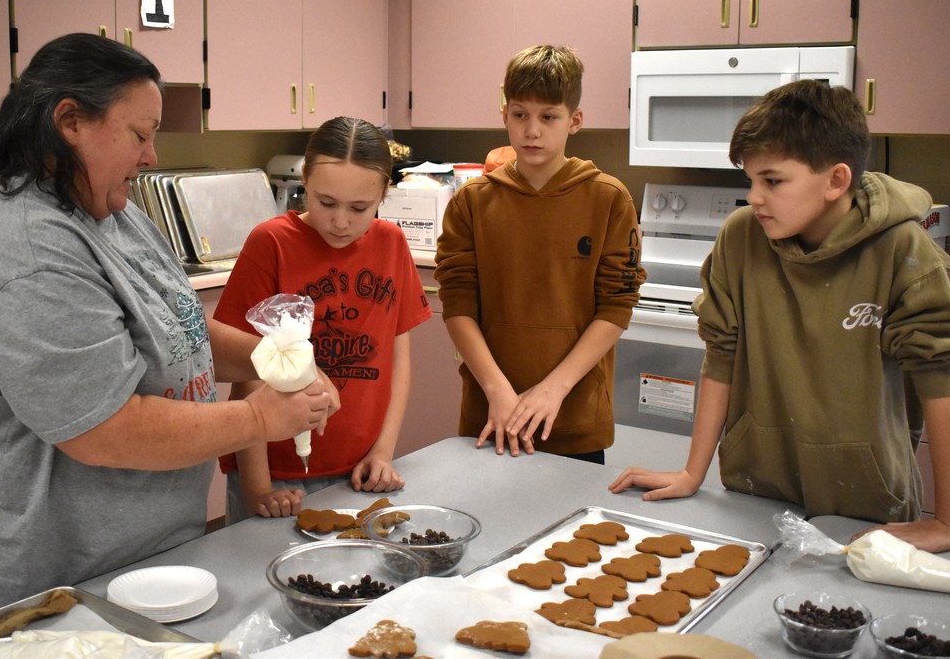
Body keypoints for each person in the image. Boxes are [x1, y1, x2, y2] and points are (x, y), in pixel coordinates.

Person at [0, 32, 337, 617]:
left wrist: (275, 359)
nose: (151, 156)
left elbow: (181, 327)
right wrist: (259, 418)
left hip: (138, 551)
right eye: (139, 135)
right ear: (70, 121)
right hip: (48, 574)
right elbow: (103, 430)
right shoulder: (26, 251)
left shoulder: (106, 207)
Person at [610, 79, 950, 554]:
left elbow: (941, 382)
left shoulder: (904, 252)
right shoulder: (741, 237)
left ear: (836, 180)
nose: (754, 196)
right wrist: (693, 472)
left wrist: (946, 522)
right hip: (756, 490)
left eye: (772, 181)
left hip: (867, 505)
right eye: (749, 180)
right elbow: (721, 357)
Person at [433, 45, 646, 463]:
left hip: (573, 419)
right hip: (490, 415)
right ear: (505, 116)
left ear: (575, 121)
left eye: (548, 116)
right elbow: (457, 303)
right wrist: (498, 392)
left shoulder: (608, 198)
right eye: (520, 115)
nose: (532, 130)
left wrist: (552, 390)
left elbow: (616, 306)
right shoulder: (471, 202)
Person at [213, 116, 431, 523]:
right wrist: (257, 486)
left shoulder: (392, 244)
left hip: (358, 470)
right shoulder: (272, 243)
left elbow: (396, 360)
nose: (341, 221)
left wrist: (383, 452)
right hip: (277, 474)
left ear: (384, 193)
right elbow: (248, 372)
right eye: (326, 202)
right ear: (306, 181)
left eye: (359, 208)